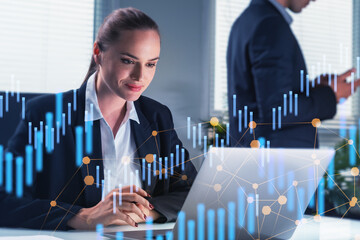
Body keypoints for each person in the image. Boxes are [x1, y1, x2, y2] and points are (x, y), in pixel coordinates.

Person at [0, 7, 197, 230]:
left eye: (151, 64)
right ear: (98, 52)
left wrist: (143, 211)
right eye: (128, 61)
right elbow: (4, 202)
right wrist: (85, 216)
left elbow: (193, 193)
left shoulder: (157, 116)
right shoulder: (45, 116)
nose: (140, 76)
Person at [227, 0, 360, 148]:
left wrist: (312, 89)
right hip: (275, 162)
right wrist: (331, 94)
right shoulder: (269, 24)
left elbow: (264, 96)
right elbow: (276, 110)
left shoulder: (250, 20)